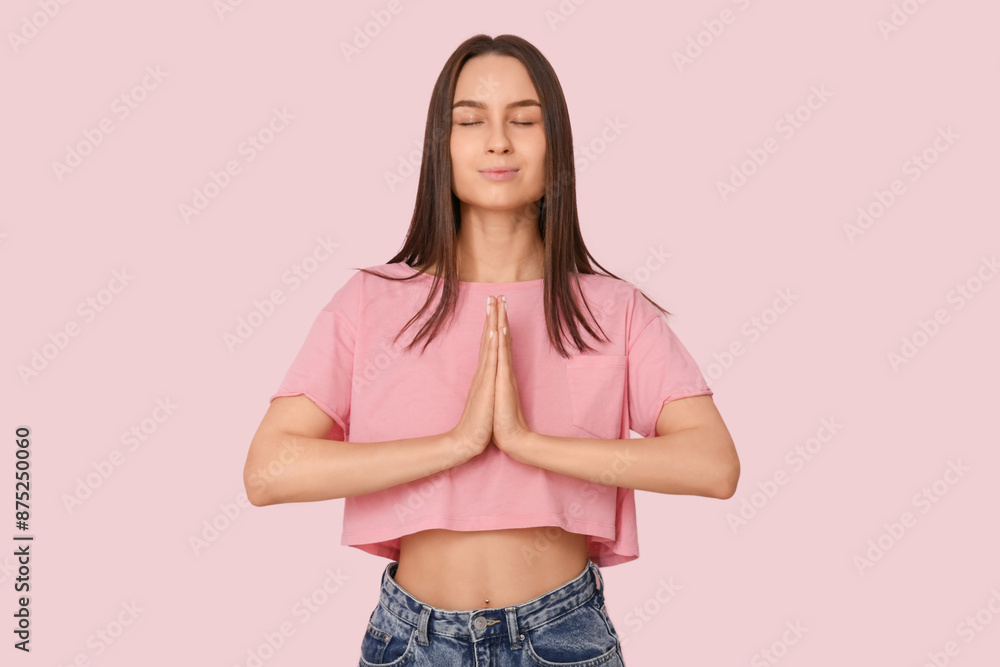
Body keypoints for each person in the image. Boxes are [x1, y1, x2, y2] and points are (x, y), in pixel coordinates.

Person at [244, 33, 739, 666]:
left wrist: (528, 444)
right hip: (412, 642)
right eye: (470, 120)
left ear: (554, 145)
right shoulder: (372, 300)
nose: (498, 141)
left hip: (561, 637)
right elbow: (267, 471)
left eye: (524, 121)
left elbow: (713, 464)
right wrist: (457, 444)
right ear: (439, 147)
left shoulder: (612, 308)